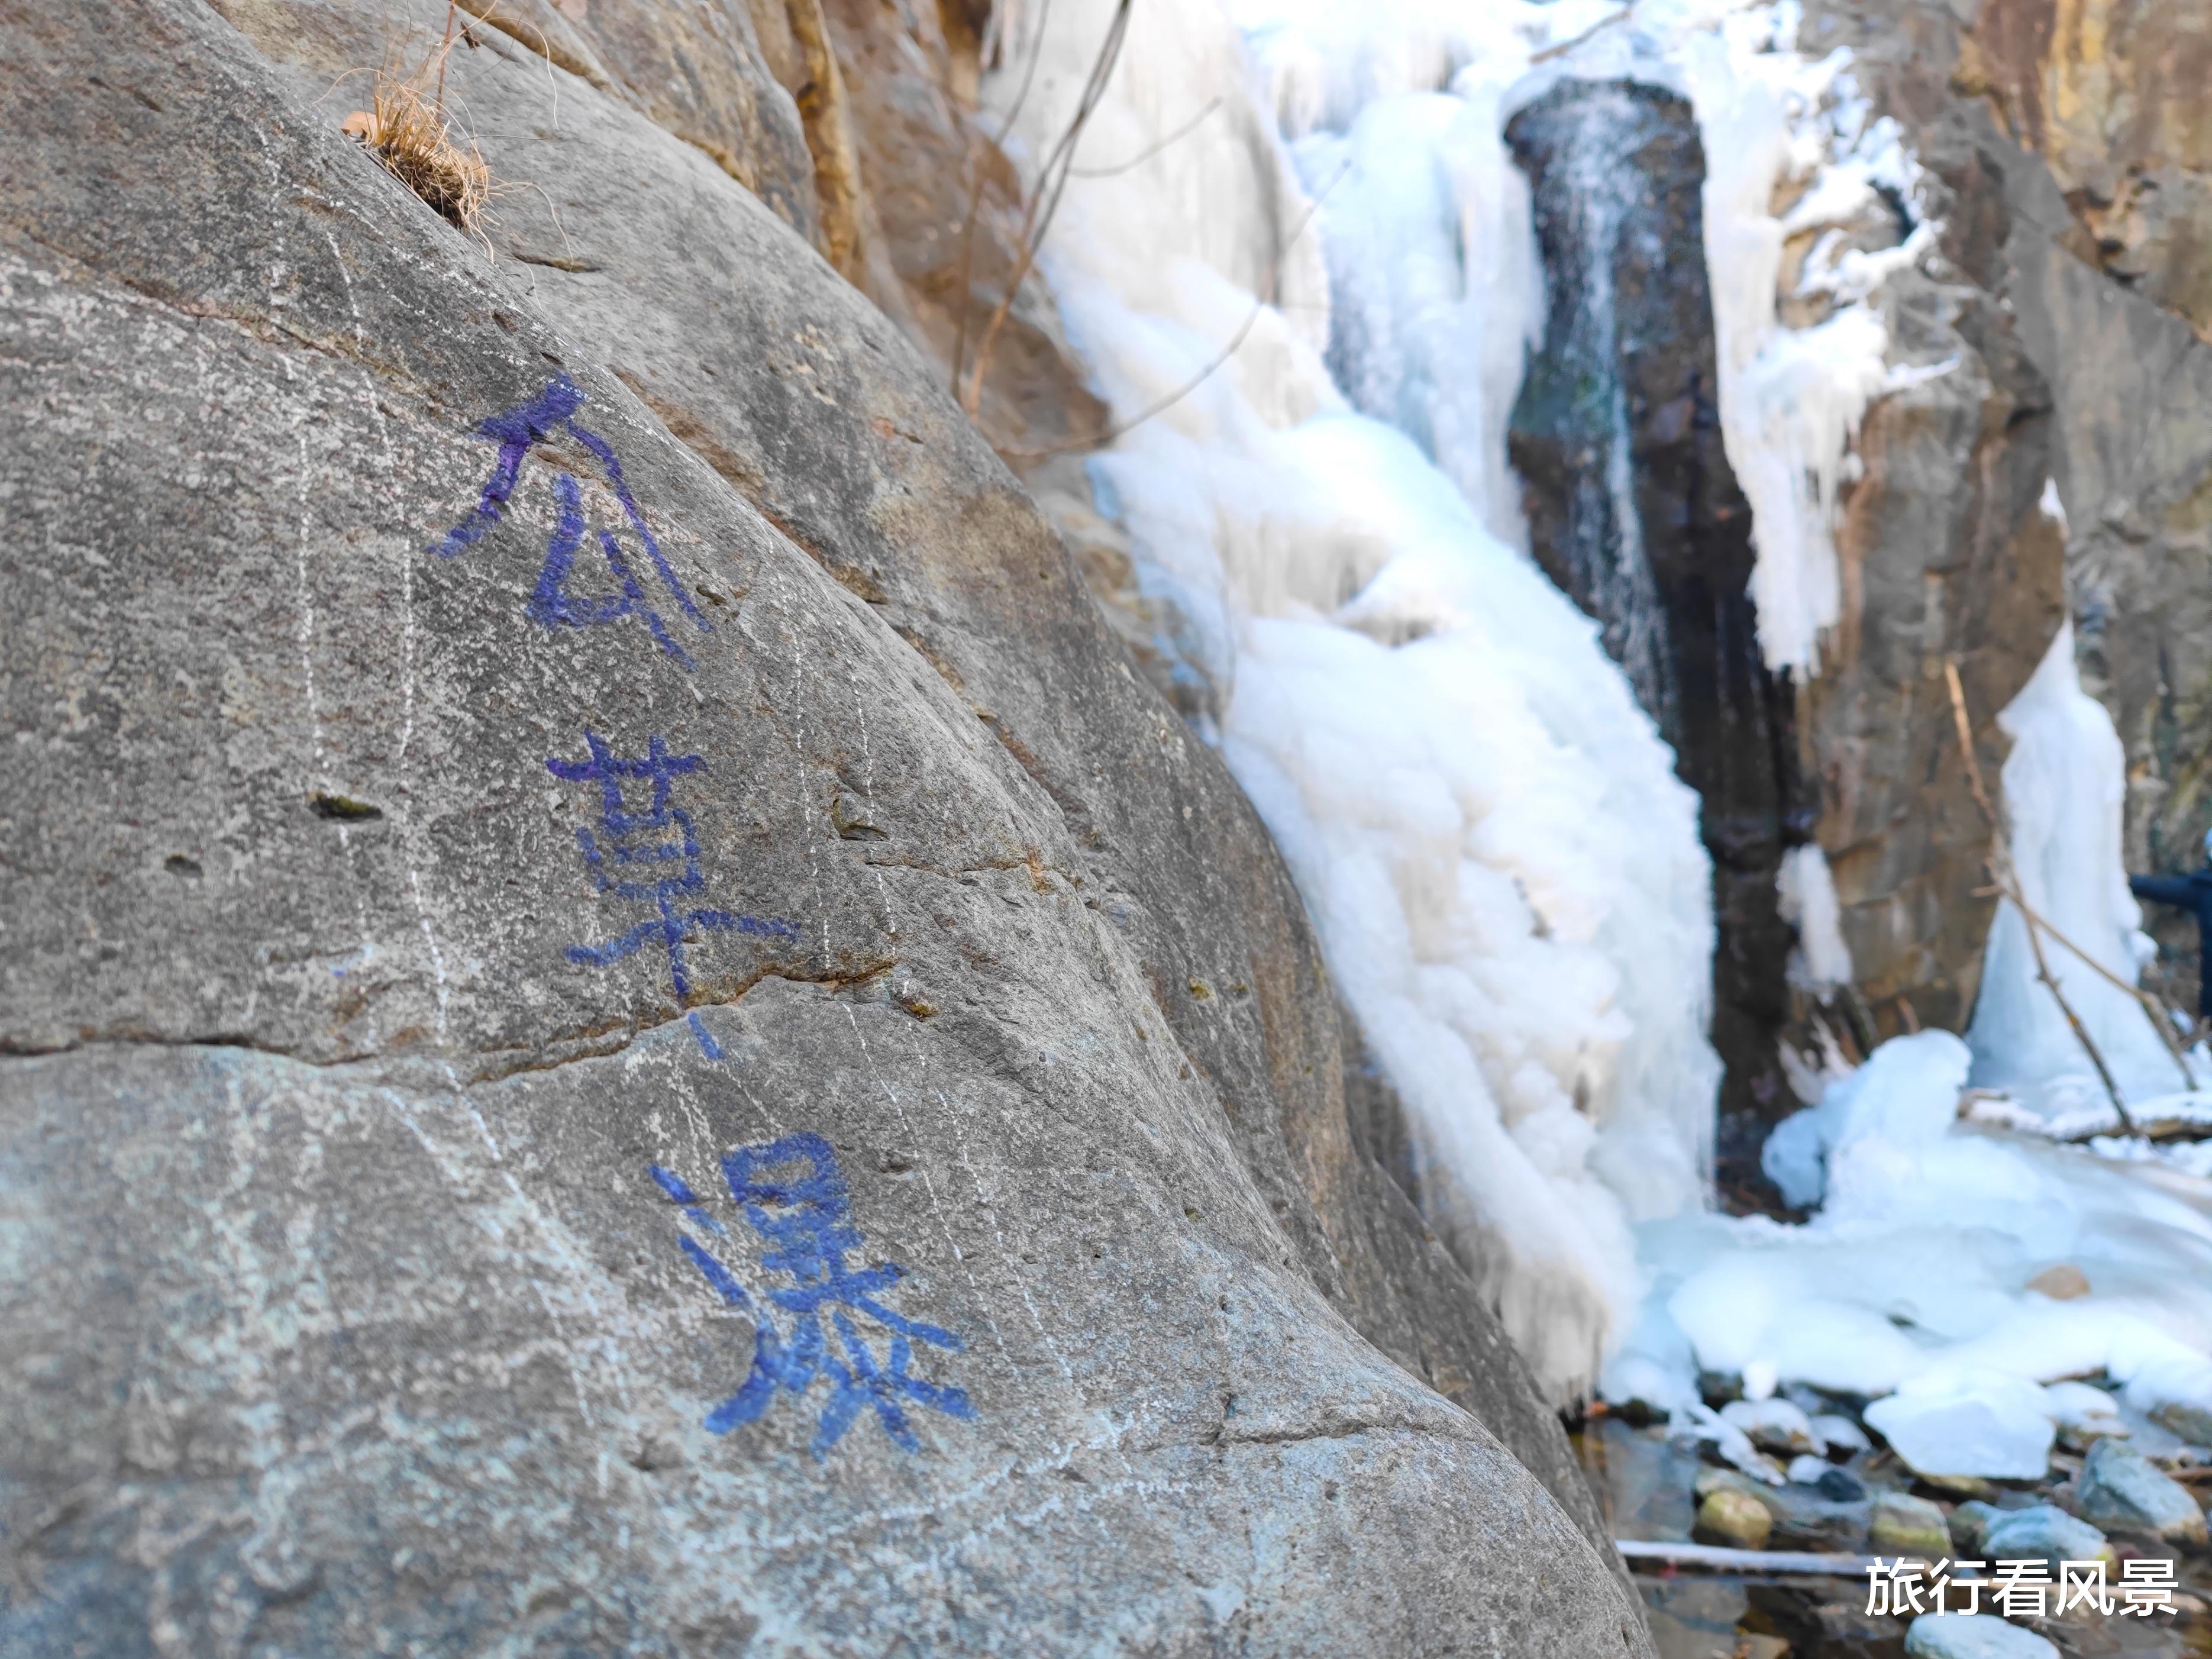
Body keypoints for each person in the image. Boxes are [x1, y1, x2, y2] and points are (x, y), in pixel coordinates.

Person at [2130, 829, 2212, 1019]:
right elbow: (2164, 889)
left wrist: (2130, 882)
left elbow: (2164, 889)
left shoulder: (2204, 888)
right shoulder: (2204, 888)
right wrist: (2130, 882)